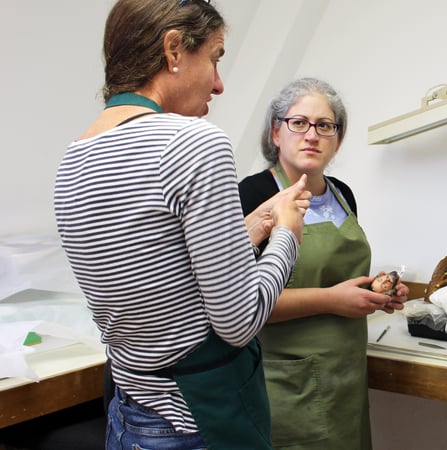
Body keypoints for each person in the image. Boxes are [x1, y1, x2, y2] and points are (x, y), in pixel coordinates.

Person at [53, 1, 310, 448]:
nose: (219, 83)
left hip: (130, 414)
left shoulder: (73, 160)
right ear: (174, 49)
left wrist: (252, 225)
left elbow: (158, 272)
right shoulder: (195, 142)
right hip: (196, 422)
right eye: (214, 58)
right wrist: (287, 232)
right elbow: (240, 321)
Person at [238, 77, 410, 449]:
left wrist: (377, 292)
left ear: (338, 138)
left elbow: (344, 280)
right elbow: (241, 306)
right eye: (298, 123)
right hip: (285, 383)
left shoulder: (342, 194)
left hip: (345, 376)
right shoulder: (253, 195)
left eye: (325, 126)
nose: (311, 135)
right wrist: (333, 300)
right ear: (275, 132)